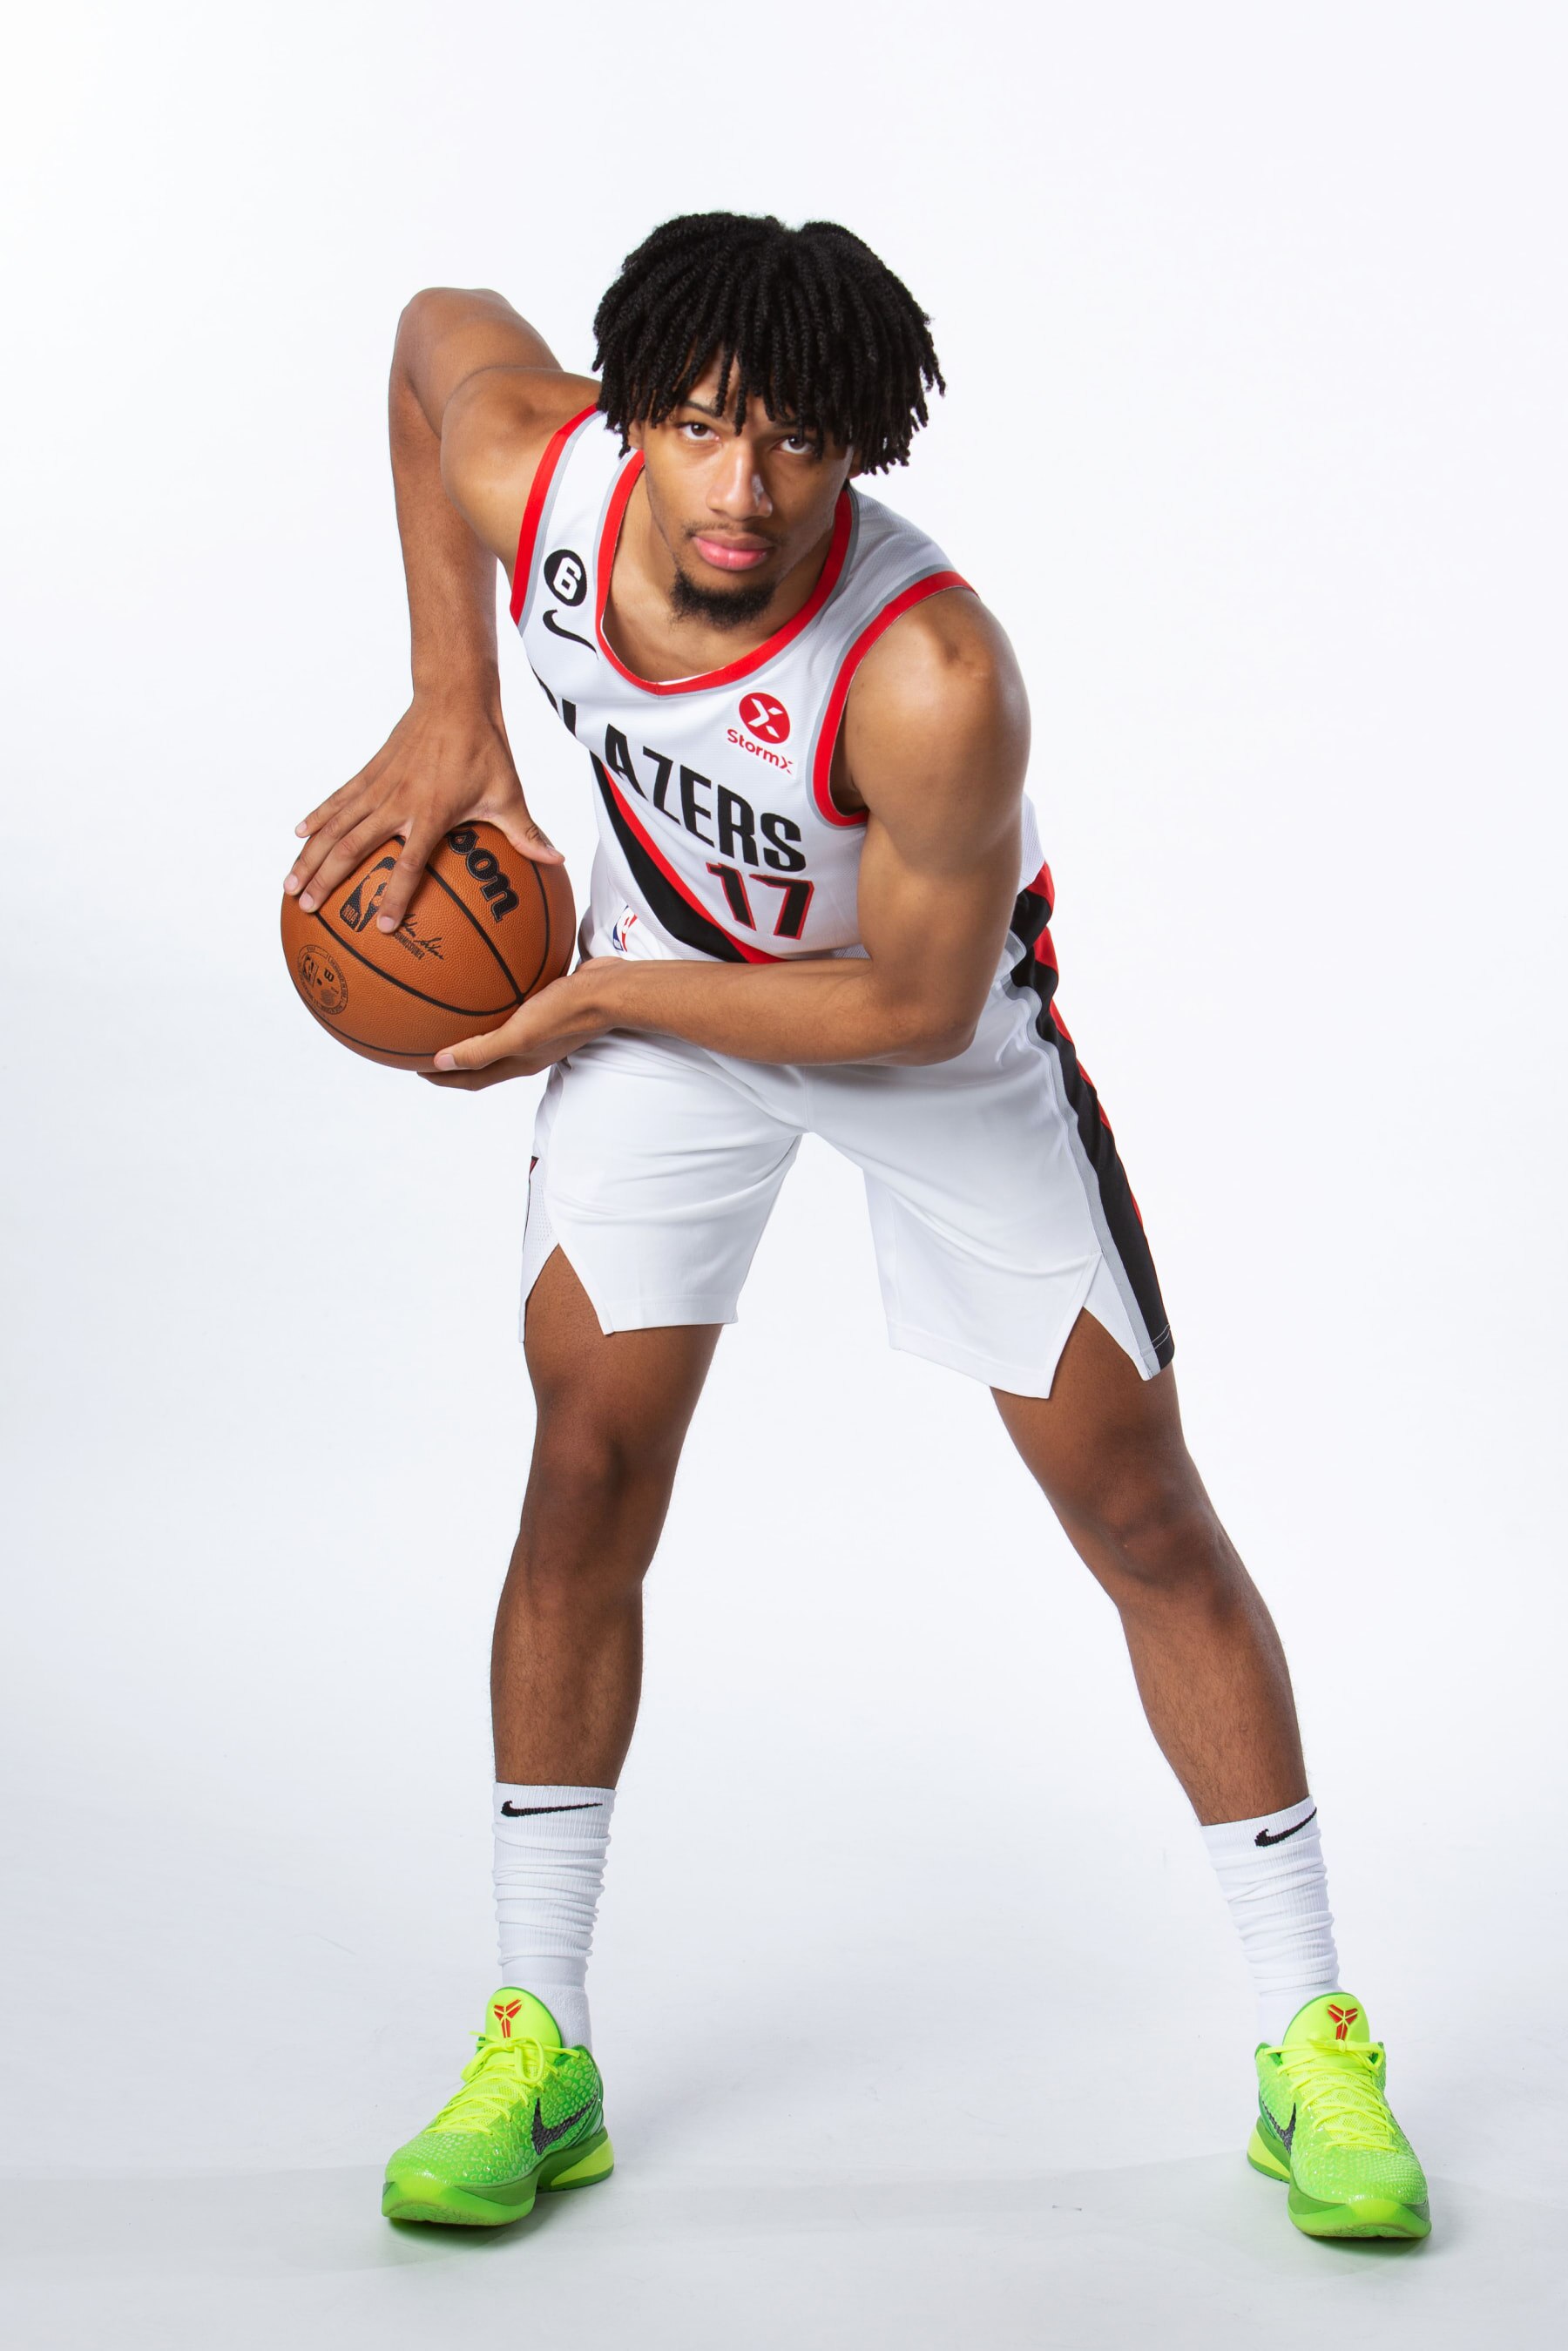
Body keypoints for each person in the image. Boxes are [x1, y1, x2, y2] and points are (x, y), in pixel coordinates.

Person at [286, 213, 1429, 2241]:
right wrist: (454, 702)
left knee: (1140, 1512)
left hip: (919, 1040)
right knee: (584, 1465)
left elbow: (906, 1003)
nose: (744, 487)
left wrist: (603, 996)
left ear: (861, 444)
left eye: (800, 442)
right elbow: (426, 336)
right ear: (631, 413)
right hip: (663, 1008)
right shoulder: (538, 480)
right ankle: (539, 2044)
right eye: (702, 428)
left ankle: (1312, 2041)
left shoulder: (930, 678)